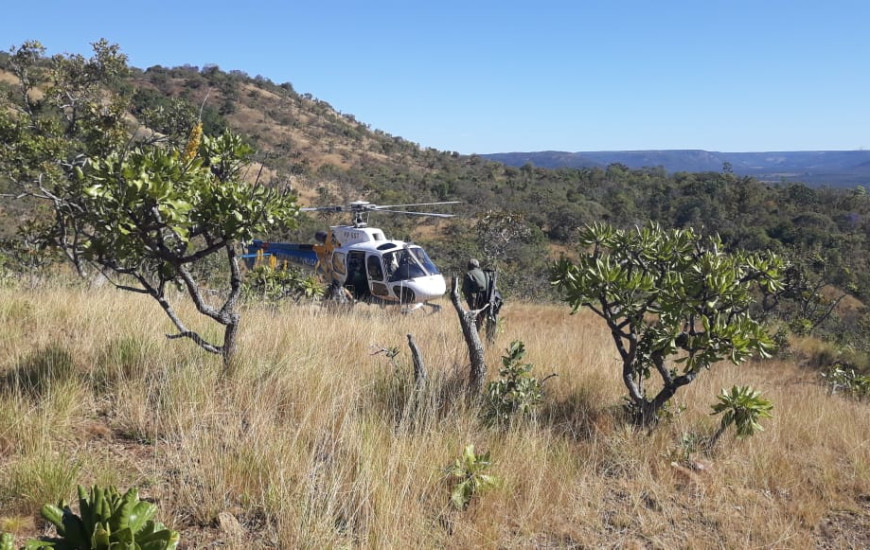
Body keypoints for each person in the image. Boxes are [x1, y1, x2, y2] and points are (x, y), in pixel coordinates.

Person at [462, 258, 488, 328]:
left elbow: (465, 289)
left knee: (474, 317)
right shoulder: (483, 273)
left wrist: (468, 299)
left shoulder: (469, 274)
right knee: (481, 316)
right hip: (486, 298)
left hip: (476, 299)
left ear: (469, 266)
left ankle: (474, 332)